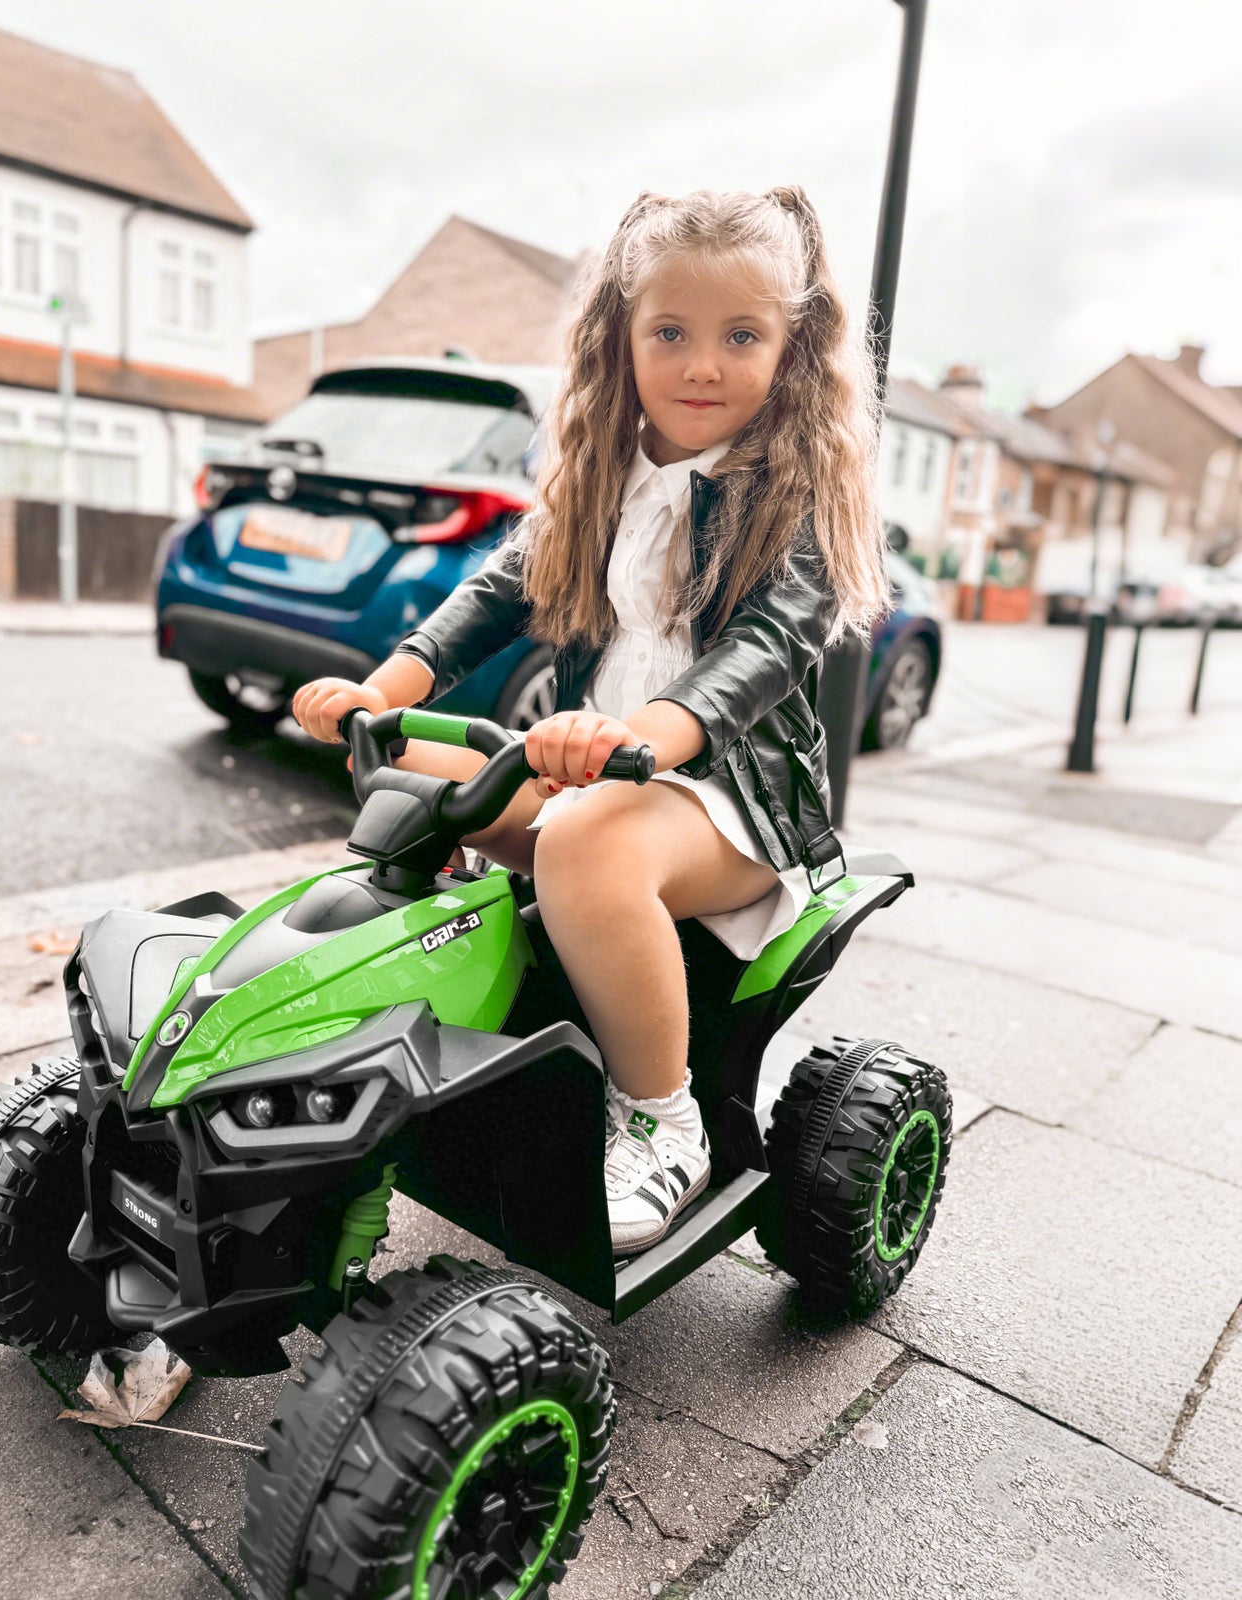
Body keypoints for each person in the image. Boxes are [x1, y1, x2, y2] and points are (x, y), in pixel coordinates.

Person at [291, 187, 888, 1253]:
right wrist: (388, 685)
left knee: (582, 837)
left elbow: (759, 656)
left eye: (740, 336)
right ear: (621, 339)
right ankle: (451, 971)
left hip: (724, 798)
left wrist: (647, 738)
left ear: (792, 350)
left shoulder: (789, 502)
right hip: (597, 769)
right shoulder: (601, 480)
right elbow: (495, 592)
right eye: (670, 332)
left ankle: (661, 1116)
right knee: (410, 767)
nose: (701, 365)